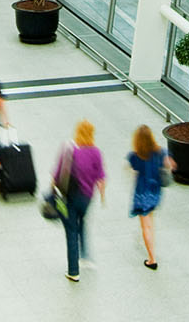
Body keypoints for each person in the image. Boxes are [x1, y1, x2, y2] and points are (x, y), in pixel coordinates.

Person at [55, 120, 106, 282]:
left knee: (71, 231)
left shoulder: (69, 150)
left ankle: (73, 271)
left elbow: (56, 175)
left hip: (69, 196)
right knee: (82, 221)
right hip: (86, 197)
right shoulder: (96, 152)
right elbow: (101, 178)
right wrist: (103, 197)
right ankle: (85, 256)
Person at [127, 125, 173, 270]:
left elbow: (132, 168)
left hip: (142, 193)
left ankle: (151, 259)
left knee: (145, 226)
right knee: (150, 220)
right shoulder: (160, 152)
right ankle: (148, 238)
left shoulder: (135, 155)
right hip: (155, 192)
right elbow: (169, 165)